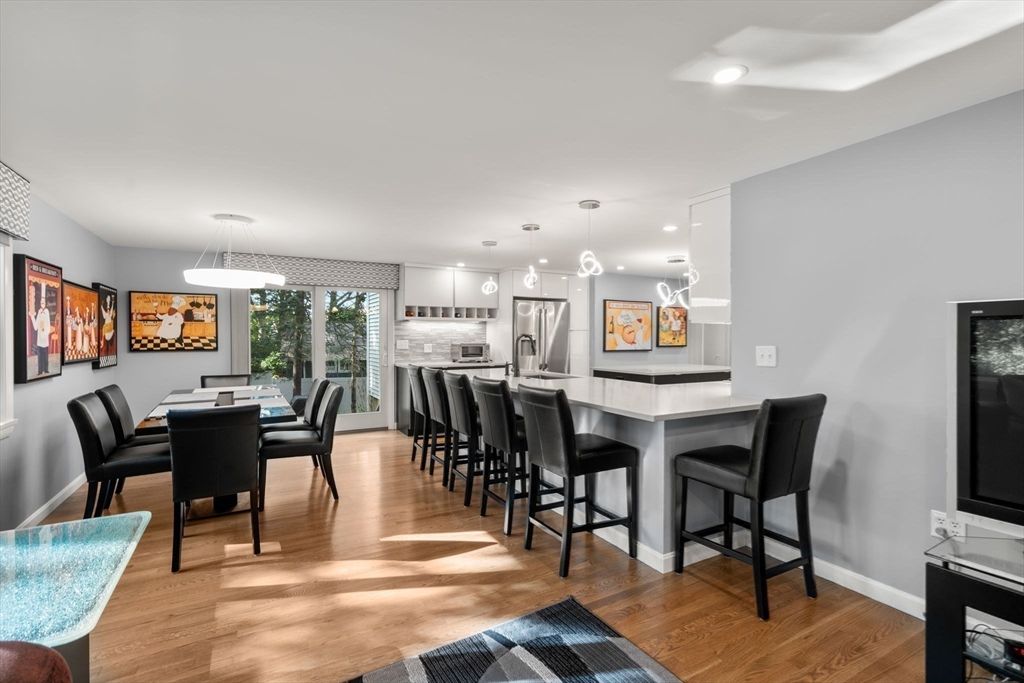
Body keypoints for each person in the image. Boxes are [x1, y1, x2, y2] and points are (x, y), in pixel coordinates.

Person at [28, 284, 51, 375]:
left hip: (45, 337)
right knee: (40, 355)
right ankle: (39, 371)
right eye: (41, 303)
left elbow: (48, 324)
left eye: (43, 303)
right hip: (39, 339)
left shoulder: (47, 312)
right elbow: (35, 326)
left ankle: (46, 369)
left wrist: (46, 333)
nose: (42, 304)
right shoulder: (38, 312)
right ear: (40, 303)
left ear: (45, 304)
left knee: (45, 355)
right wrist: (32, 316)